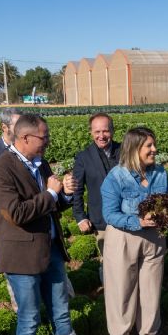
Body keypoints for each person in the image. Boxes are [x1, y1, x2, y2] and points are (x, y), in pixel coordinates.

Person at [0, 114, 82, 335]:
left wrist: (65, 194)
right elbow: (16, 213)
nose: (48, 141)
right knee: (29, 317)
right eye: (44, 137)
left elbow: (52, 204)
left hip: (49, 248)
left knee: (61, 309)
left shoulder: (40, 164)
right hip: (21, 257)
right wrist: (51, 194)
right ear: (25, 138)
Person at [100, 127, 168, 335]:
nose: (154, 150)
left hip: (154, 239)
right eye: (149, 146)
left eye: (153, 145)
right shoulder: (116, 177)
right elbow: (109, 214)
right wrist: (137, 221)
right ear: (134, 149)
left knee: (151, 289)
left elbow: (165, 203)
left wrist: (164, 215)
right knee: (121, 289)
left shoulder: (160, 173)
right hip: (123, 237)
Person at [72, 113, 121, 281]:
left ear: (112, 131)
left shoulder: (125, 151)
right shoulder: (83, 157)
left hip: (127, 216)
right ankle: (109, 295)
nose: (101, 136)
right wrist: (80, 217)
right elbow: (76, 190)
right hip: (100, 219)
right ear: (91, 133)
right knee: (107, 261)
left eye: (105, 131)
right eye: (97, 131)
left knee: (126, 258)